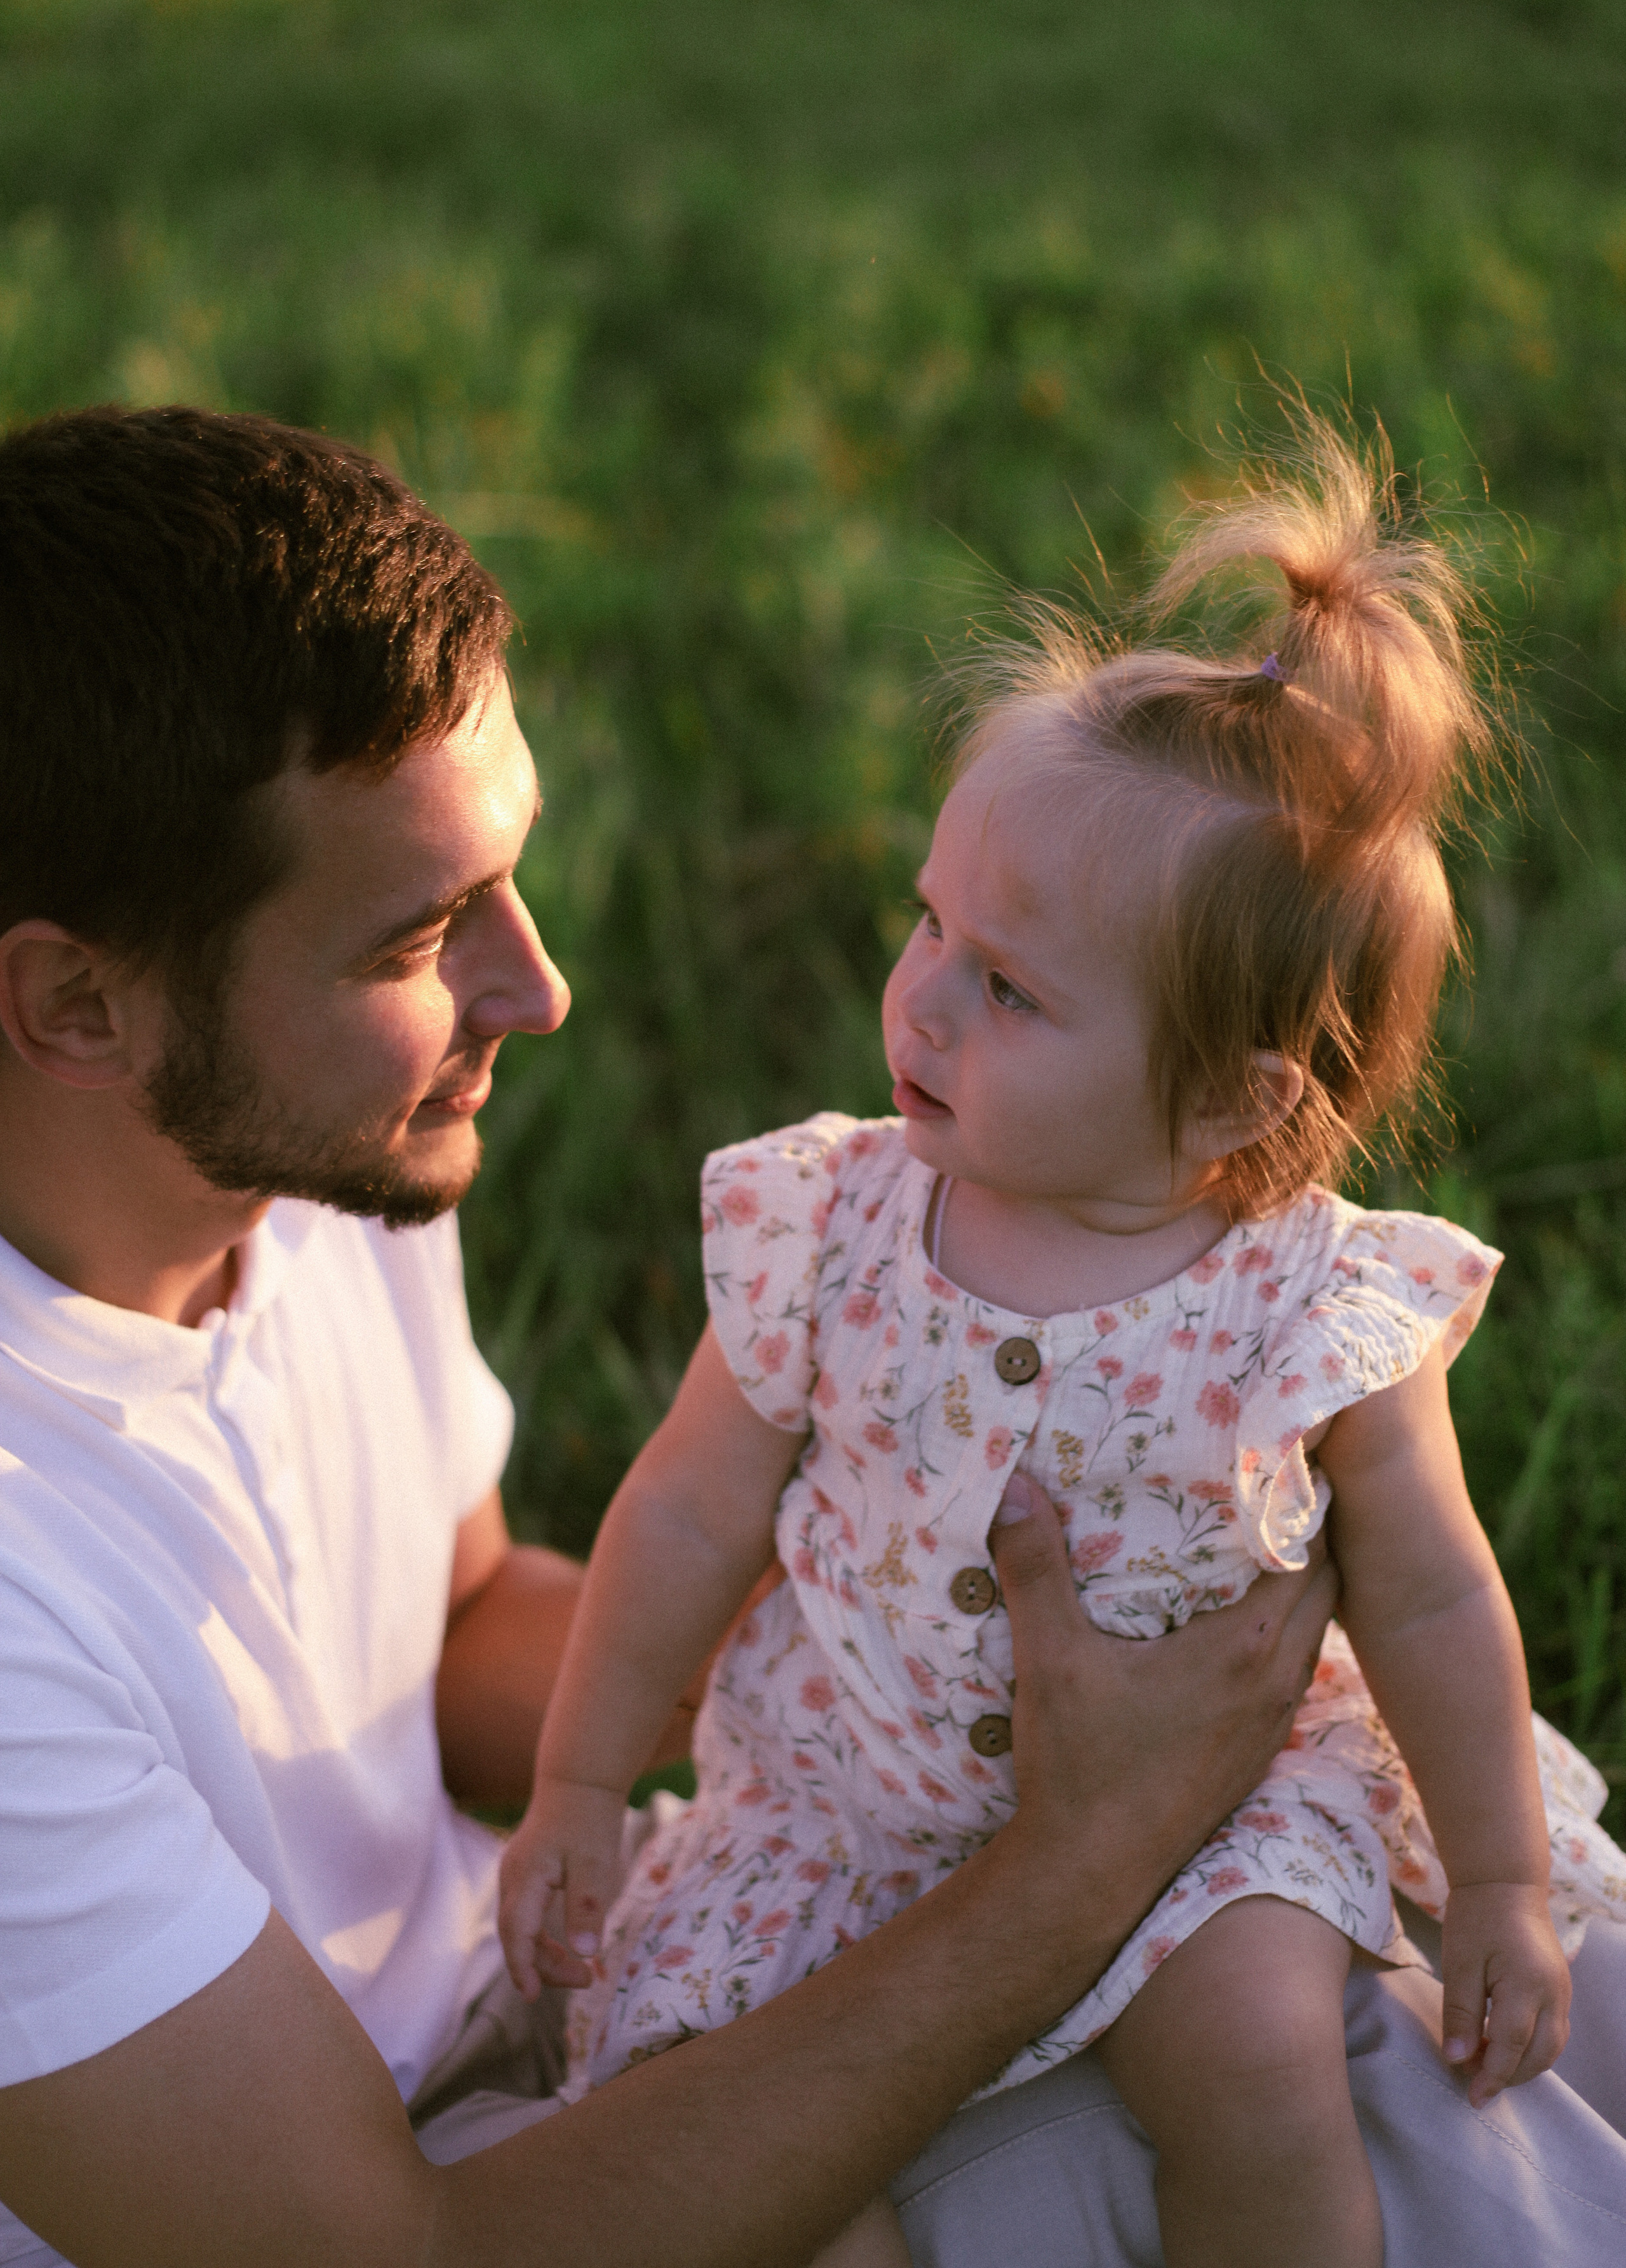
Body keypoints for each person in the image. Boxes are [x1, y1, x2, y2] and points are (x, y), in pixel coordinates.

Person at [0, 405, 1622, 2268]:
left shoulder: (293, 1167)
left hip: (682, 1927)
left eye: (509, 878)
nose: (541, 988)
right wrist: (1088, 1841)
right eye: (419, 938)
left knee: (1565, 1995)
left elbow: (452, 1621)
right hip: (487, 2192)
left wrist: (901, 1690)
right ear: (78, 1007)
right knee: (1424, 2132)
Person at [496, 422, 1626, 2268]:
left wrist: (1498, 1878)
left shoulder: (1315, 1306)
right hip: (844, 1812)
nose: (922, 1000)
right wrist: (578, 1780)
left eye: (1010, 988)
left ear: (1232, 1100)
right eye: (929, 925)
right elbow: (690, 1511)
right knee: (739, 2162)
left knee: (1252, 2052)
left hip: (1209, 1805)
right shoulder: (831, 1224)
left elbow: (1430, 1594)